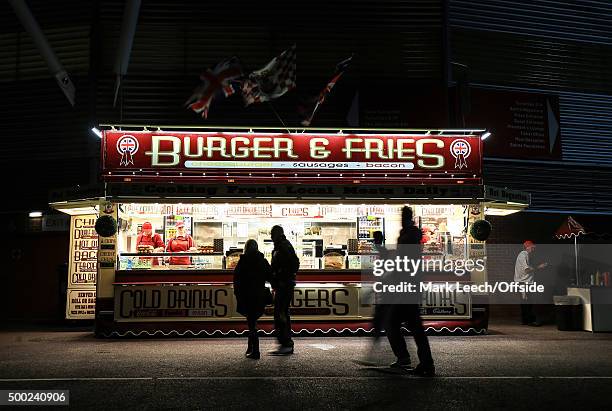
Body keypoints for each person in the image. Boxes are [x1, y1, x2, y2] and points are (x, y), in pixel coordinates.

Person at [384, 206, 435, 377]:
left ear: (405, 218)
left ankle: (406, 358)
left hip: (406, 287)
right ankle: (424, 362)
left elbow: (403, 262)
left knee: (392, 322)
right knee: (414, 327)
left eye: (402, 216)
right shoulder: (411, 234)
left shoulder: (407, 236)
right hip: (411, 286)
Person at [233, 239, 273, 359]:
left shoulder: (243, 262)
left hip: (246, 295)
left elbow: (237, 280)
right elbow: (270, 276)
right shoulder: (262, 260)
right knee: (253, 321)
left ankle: (255, 350)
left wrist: (238, 294)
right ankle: (251, 348)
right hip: (259, 295)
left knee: (251, 323)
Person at [269, 225, 299, 355]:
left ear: (276, 234)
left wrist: (281, 276)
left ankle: (286, 343)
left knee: (281, 313)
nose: (270, 236)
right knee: (281, 312)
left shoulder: (283, 246)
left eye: (272, 234)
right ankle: (284, 342)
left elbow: (294, 264)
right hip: (284, 285)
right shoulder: (282, 245)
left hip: (284, 285)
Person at [514, 240, 548, 326]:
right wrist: (539, 267)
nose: (533, 249)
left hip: (524, 283)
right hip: (523, 283)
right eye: (532, 247)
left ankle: (526, 321)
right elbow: (527, 270)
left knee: (526, 302)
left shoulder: (526, 255)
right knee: (526, 302)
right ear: (527, 247)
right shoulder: (523, 255)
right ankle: (528, 321)